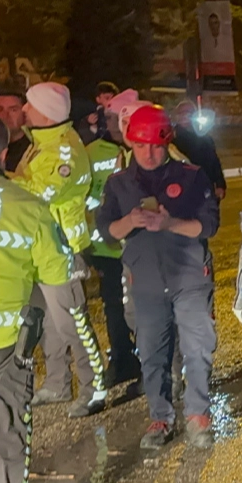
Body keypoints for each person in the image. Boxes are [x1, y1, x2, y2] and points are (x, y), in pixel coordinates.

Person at [97, 105, 220, 449]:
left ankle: (198, 414)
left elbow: (208, 225)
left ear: (168, 141)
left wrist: (169, 224)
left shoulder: (192, 176)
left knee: (198, 346)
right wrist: (130, 222)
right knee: (152, 352)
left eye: (155, 145)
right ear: (129, 143)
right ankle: (160, 417)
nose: (148, 154)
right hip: (146, 281)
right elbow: (107, 230)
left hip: (190, 276)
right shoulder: (118, 183)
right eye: (140, 146)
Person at [0, 112, 73, 483]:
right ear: (3, 153)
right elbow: (57, 281)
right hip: (1, 350)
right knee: (4, 436)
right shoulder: (27, 207)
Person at [10, 82, 107, 418]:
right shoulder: (41, 143)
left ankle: (95, 388)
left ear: (47, 112)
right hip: (38, 247)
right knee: (47, 322)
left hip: (61, 250)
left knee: (73, 325)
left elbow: (41, 192)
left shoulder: (63, 150)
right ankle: (57, 383)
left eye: (30, 105)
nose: (24, 110)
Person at [84, 125, 140, 384]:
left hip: (140, 245)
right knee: (115, 306)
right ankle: (123, 359)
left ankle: (153, 361)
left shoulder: (143, 150)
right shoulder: (91, 152)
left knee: (145, 306)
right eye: (110, 117)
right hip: (108, 247)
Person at [173, 100, 226, 200]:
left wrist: (220, 184)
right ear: (177, 116)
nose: (185, 116)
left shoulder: (205, 138)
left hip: (206, 188)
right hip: (181, 192)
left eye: (189, 112)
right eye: (182, 113)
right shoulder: (171, 140)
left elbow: (214, 162)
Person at [0, 91, 30, 173]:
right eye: (0, 109)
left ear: (25, 113)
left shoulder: (32, 148)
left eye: (13, 110)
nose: (5, 115)